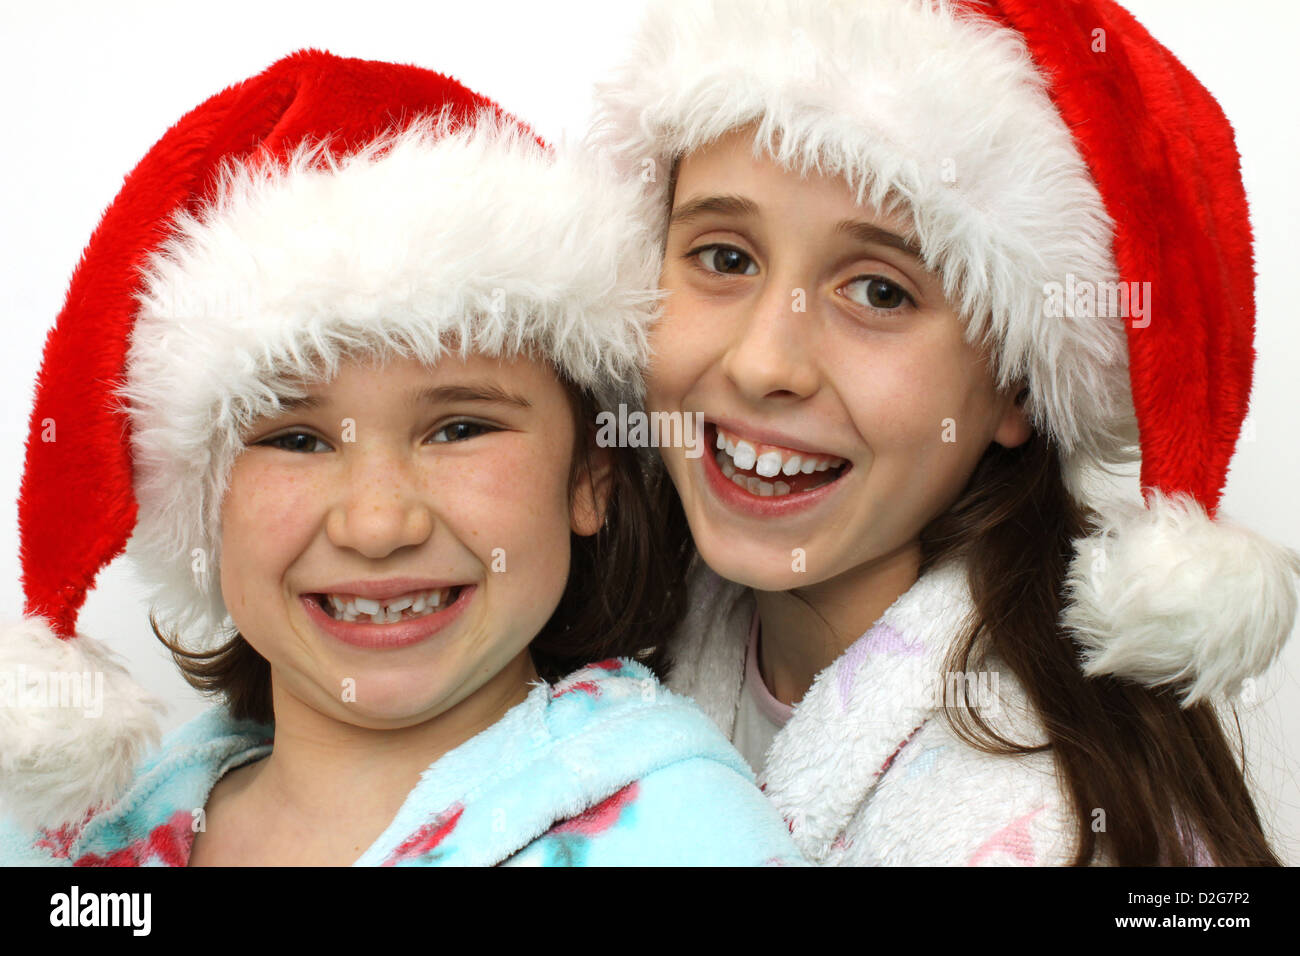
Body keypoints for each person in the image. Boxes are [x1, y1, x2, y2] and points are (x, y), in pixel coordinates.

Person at [0, 50, 804, 867]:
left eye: (459, 429)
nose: (378, 524)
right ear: (199, 500)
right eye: (296, 439)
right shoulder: (68, 848)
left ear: (591, 474)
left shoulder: (689, 839)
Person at [587, 0, 1300, 865]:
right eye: (725, 258)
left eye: (881, 291)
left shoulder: (1037, 829)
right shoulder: (621, 646)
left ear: (1014, 387)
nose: (762, 362)